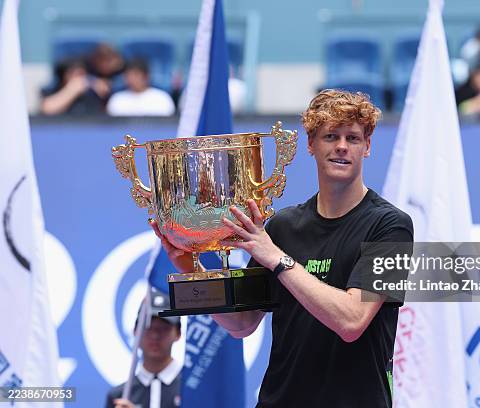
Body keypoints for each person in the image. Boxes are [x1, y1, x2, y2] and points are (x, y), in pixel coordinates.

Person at [151, 89, 414, 407]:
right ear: (311, 145)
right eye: (331, 136)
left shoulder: (392, 227)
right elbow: (242, 324)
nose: (342, 147)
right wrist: (191, 268)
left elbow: (352, 321)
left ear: (367, 146)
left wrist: (277, 258)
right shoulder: (282, 227)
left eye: (353, 138)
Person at [105, 289, 182, 408]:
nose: (155, 335)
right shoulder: (119, 396)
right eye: (148, 327)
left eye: (164, 328)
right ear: (136, 331)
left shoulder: (192, 389)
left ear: (178, 333)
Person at [107, 59, 175, 117]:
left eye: (135, 75)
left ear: (146, 76)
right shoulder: (116, 99)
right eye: (128, 75)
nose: (131, 79)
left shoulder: (162, 98)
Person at [40, 58, 109, 115]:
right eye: (74, 74)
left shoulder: (92, 89)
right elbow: (48, 109)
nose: (79, 79)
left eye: (81, 74)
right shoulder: (52, 90)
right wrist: (72, 90)